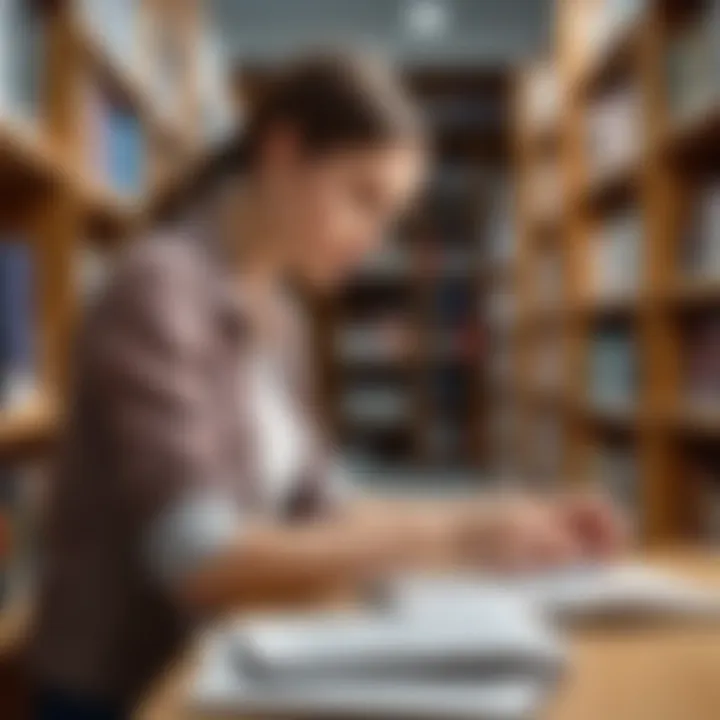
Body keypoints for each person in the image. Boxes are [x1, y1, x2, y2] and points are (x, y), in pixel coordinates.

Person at [31, 51, 625, 719]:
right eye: (362, 197)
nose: (373, 237)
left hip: (224, 665)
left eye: (390, 216)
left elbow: (324, 505)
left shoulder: (280, 316)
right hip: (129, 690)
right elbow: (201, 560)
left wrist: (493, 519)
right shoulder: (160, 288)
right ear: (283, 152)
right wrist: (455, 540)